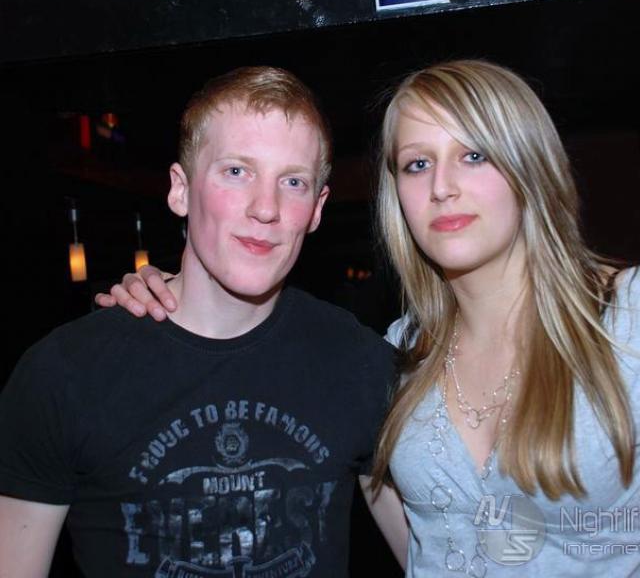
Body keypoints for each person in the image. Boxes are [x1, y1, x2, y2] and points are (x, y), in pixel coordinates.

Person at [107, 60, 639, 576]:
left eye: (474, 155)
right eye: (418, 164)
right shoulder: (398, 355)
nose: (442, 187)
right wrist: (170, 293)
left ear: (530, 166)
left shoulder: (627, 315)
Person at [0, 66, 407, 577]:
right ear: (180, 189)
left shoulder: (360, 362)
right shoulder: (63, 375)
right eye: (236, 171)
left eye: (293, 182)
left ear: (317, 208)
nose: (266, 208)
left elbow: (440, 555)